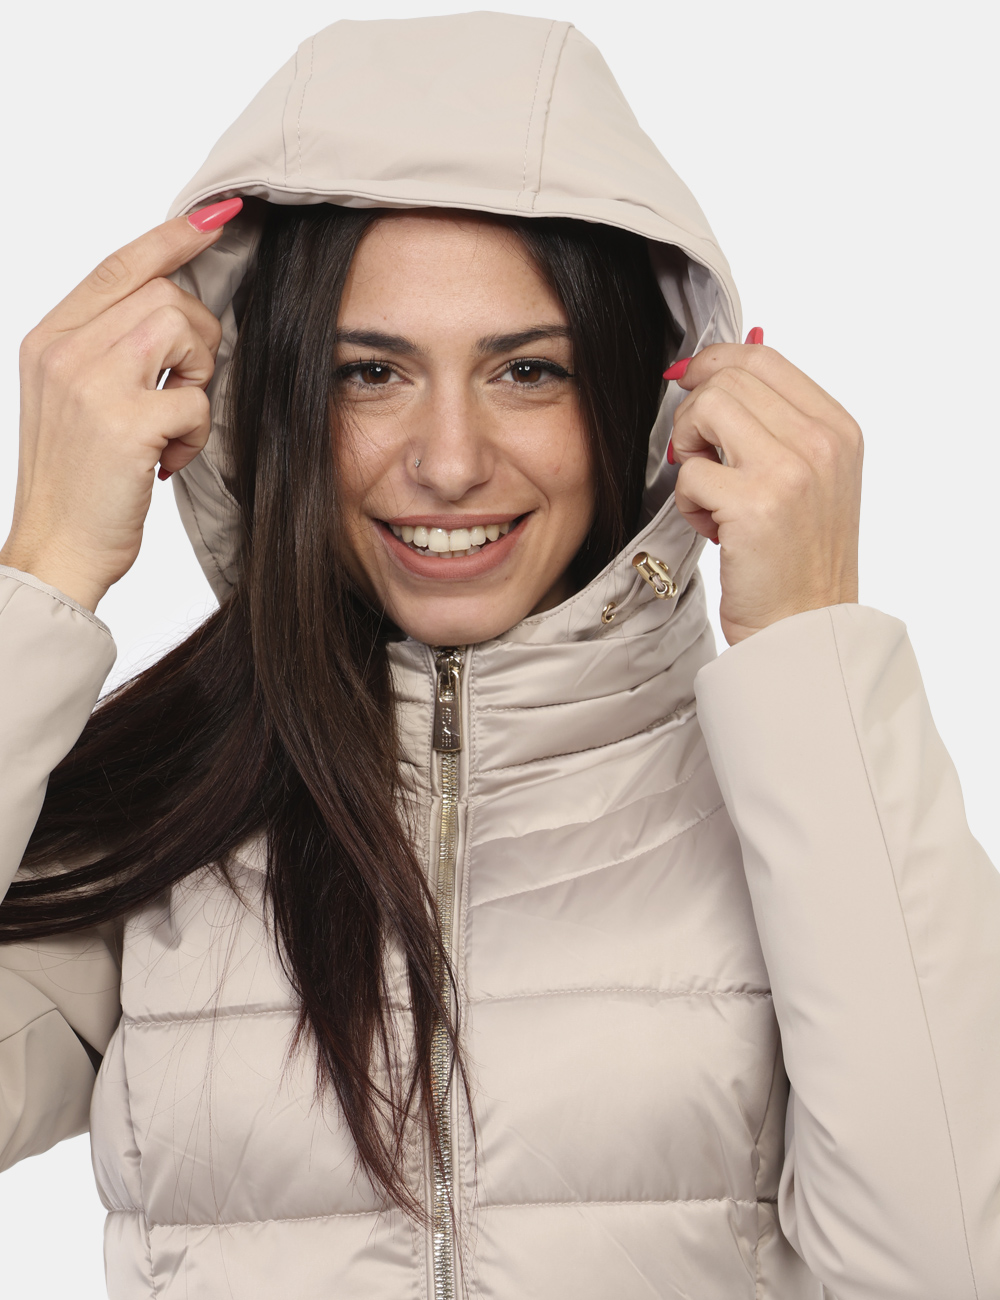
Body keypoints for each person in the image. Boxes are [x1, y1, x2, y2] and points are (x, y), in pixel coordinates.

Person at [0, 12, 997, 1299]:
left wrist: (809, 646)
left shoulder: (796, 789)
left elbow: (948, 1264)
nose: (450, 461)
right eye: (369, 373)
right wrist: (42, 571)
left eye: (527, 370)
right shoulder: (164, 806)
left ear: (644, 399)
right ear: (267, 400)